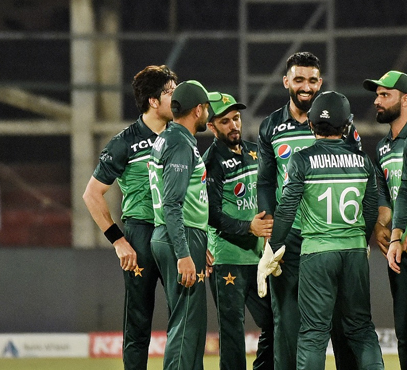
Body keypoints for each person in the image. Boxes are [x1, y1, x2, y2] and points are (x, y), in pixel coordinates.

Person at [260, 91, 383, 370]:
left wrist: (273, 248)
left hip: (316, 252)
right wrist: (360, 241)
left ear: (312, 125)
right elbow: (372, 209)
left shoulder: (302, 160)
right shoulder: (363, 161)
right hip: (353, 251)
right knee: (362, 329)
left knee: (313, 333)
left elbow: (287, 208)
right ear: (347, 126)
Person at [256, 52, 359, 370]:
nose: (306, 87)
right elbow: (264, 182)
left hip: (332, 237)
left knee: (345, 326)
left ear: (320, 82)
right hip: (289, 241)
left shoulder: (343, 123)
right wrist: (270, 234)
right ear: (286, 81)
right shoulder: (270, 126)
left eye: (312, 80)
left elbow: (356, 175)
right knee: (287, 327)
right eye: (299, 79)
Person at [82, 65, 177, 369]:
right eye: (171, 93)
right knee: (138, 324)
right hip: (142, 236)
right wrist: (119, 241)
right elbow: (92, 194)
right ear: (153, 100)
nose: (177, 101)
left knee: (186, 318)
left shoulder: (182, 137)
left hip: (177, 232)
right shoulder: (124, 142)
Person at [202, 92, 274, 370]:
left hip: (260, 259)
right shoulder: (210, 163)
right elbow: (212, 215)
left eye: (236, 118)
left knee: (275, 322)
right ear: (212, 126)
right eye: (225, 121)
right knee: (232, 334)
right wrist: (250, 227)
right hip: (227, 260)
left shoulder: (256, 152)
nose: (234, 125)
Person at [363, 70, 407, 370]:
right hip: (398, 250)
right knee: (403, 330)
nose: (377, 100)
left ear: (406, 98)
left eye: (384, 95)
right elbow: (386, 195)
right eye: (377, 95)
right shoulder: (383, 147)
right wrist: (381, 227)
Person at [149, 80, 211, 370]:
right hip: (180, 235)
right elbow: (173, 204)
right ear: (198, 110)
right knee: (185, 326)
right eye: (207, 108)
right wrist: (184, 253)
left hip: (176, 233)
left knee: (189, 323)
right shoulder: (179, 143)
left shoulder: (167, 137)